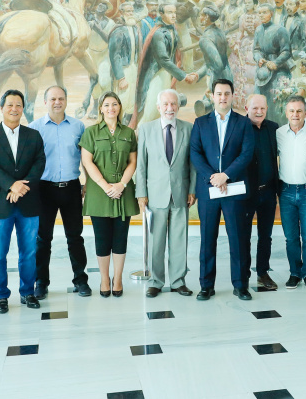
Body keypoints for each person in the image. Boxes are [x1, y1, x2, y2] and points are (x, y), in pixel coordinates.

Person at [189, 79, 256, 300]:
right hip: (209, 191)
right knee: (208, 239)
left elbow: (246, 154)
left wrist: (226, 175)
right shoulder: (200, 123)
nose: (223, 97)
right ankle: (206, 285)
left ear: (232, 96)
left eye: (227, 93)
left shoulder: (243, 123)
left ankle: (240, 285)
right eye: (219, 93)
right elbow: (195, 154)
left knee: (238, 239)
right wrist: (213, 177)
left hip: (234, 189)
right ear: (212, 96)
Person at [0, 90, 46, 313]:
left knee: (28, 252)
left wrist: (21, 187)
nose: (14, 109)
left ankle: (28, 292)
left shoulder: (34, 135)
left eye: (19, 105)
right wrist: (12, 185)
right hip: (1, 203)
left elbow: (39, 164)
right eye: (10, 105)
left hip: (29, 202)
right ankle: (0, 296)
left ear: (23, 108)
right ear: (2, 108)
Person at [27, 86, 91, 300]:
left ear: (66, 101)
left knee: (75, 237)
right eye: (52, 98)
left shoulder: (78, 126)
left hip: (72, 187)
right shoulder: (34, 128)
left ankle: (81, 280)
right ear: (45, 102)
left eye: (61, 98)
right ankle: (41, 283)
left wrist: (87, 183)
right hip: (44, 189)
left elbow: (86, 158)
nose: (57, 102)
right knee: (43, 239)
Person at [136, 90, 197, 297]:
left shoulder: (189, 128)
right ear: (158, 107)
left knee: (180, 240)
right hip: (155, 195)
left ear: (178, 107)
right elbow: (141, 165)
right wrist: (141, 193)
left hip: (181, 194)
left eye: (174, 104)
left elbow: (193, 164)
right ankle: (156, 281)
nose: (170, 108)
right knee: (156, 241)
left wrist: (192, 190)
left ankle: (179, 281)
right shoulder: (146, 129)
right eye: (166, 104)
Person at [80, 92, 139, 298]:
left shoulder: (129, 133)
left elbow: (133, 162)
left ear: (120, 107)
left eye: (115, 104)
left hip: (123, 191)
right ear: (101, 109)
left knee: (120, 238)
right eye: (107, 105)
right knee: (102, 238)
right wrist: (106, 186)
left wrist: (122, 184)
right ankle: (105, 279)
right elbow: (87, 162)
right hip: (99, 192)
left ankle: (118, 278)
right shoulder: (91, 132)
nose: (111, 108)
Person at [276, 96, 306, 290]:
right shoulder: (278, 134)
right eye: (292, 111)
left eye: (299, 111)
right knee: (291, 237)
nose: (295, 114)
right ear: (286, 113)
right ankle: (295, 273)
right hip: (285, 192)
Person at [244, 94, 280, 290]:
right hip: (246, 193)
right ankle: (243, 273)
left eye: (262, 109)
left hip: (268, 191)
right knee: (245, 235)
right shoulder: (240, 127)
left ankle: (263, 273)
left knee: (265, 235)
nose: (259, 112)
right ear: (246, 107)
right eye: (255, 108)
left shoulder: (274, 128)